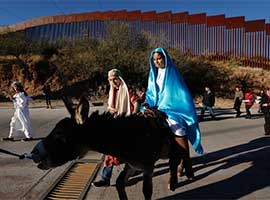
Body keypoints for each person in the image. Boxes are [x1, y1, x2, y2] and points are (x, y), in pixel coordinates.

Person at [143, 47, 204, 180]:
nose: (157, 62)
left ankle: (187, 163)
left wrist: (165, 105)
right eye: (154, 59)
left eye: (159, 58)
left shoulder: (172, 73)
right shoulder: (153, 74)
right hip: (157, 106)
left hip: (173, 108)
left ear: (165, 58)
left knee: (177, 127)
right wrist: (148, 103)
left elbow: (178, 93)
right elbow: (151, 92)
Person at [93, 68, 132, 187]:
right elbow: (110, 107)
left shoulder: (127, 90)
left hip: (126, 126)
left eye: (115, 79)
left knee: (129, 155)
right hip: (114, 126)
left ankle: (126, 175)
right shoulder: (112, 91)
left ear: (120, 78)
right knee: (110, 153)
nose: (113, 81)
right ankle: (105, 179)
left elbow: (135, 103)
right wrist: (110, 110)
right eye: (110, 80)